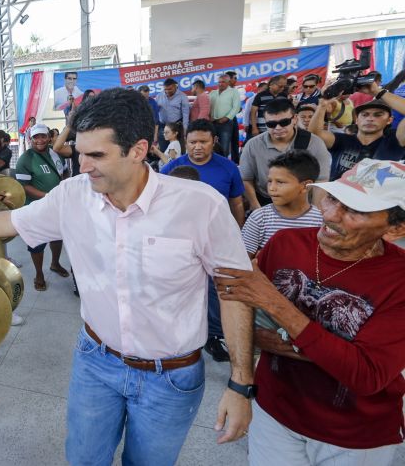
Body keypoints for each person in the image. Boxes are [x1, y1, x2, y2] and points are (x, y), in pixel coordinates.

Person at [0, 87, 255, 466]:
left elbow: (235, 291)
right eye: (80, 154)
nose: (84, 166)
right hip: (96, 361)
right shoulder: (72, 195)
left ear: (139, 150)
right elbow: (12, 220)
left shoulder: (199, 205)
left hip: (170, 378)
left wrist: (241, 383)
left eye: (97, 155)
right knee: (83, 459)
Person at [213, 158, 405, 466]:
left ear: (395, 228)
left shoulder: (398, 279)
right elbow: (242, 306)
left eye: (354, 210)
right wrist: (251, 360)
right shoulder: (284, 243)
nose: (330, 216)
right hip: (275, 412)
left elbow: (367, 375)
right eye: (332, 198)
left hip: (353, 435)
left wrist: (276, 306)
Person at [161, 119, 245, 363]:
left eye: (203, 142)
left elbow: (237, 203)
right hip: (180, 241)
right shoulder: (172, 168)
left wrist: (236, 234)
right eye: (192, 142)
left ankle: (215, 336)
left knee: (214, 287)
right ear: (185, 142)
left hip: (216, 238)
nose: (197, 147)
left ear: (214, 141)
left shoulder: (228, 168)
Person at [241, 98, 332, 210]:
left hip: (303, 203)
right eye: (271, 124)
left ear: (294, 119)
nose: (278, 128)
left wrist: (315, 212)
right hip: (266, 203)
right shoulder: (253, 145)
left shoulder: (314, 143)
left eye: (284, 122)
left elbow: (321, 181)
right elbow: (246, 179)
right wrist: (256, 207)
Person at [15, 123, 69, 291]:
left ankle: (55, 263)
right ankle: (39, 274)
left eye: (43, 136)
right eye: (35, 137)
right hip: (36, 208)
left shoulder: (55, 153)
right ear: (31, 139)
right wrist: (48, 197)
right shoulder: (26, 158)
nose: (39, 140)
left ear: (49, 137)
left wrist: (64, 187)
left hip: (56, 206)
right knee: (37, 242)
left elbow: (65, 171)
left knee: (57, 236)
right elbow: (23, 186)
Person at [241, 150, 323, 260]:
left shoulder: (320, 220)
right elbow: (243, 260)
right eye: (270, 181)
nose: (271, 188)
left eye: (280, 182)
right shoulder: (260, 218)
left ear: (305, 186)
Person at [309, 96, 405, 180]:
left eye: (378, 115)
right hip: (336, 198)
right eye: (364, 114)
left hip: (374, 199)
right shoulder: (342, 140)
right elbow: (315, 134)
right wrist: (322, 106)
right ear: (356, 119)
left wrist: (377, 91)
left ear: (389, 120)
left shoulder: (395, 143)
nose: (370, 119)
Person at [209, 74, 242, 159]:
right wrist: (209, 117)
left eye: (223, 82)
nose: (220, 84)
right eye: (219, 82)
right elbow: (207, 106)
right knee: (211, 145)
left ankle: (223, 164)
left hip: (226, 123)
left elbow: (236, 107)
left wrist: (227, 118)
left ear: (228, 82)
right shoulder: (213, 93)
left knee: (224, 146)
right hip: (212, 123)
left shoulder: (233, 92)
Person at [155, 78, 191, 152]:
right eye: (165, 89)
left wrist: (185, 129)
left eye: (170, 89)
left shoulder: (182, 96)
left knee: (179, 149)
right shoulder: (159, 96)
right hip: (163, 126)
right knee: (164, 149)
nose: (167, 91)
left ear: (175, 86)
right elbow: (156, 112)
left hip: (177, 126)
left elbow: (185, 114)